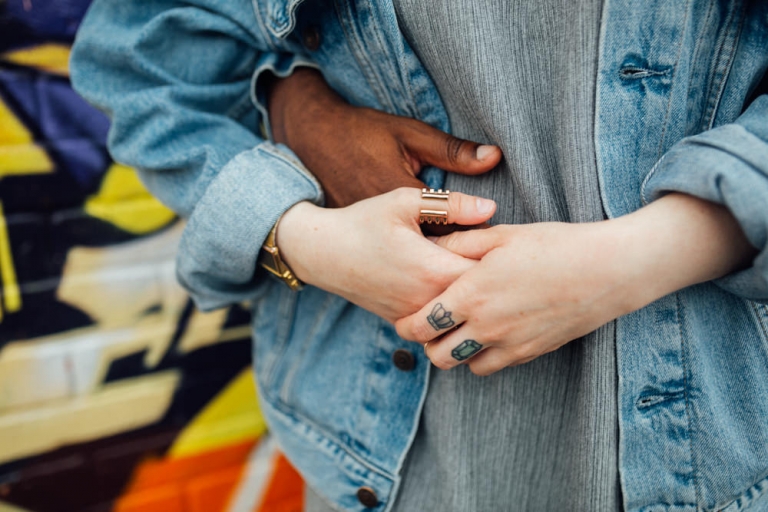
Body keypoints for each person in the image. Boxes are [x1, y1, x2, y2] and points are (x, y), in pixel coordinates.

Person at [70, 0, 768, 510]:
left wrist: (635, 259)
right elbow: (141, 57)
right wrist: (307, 233)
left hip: (705, 454)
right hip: (385, 460)